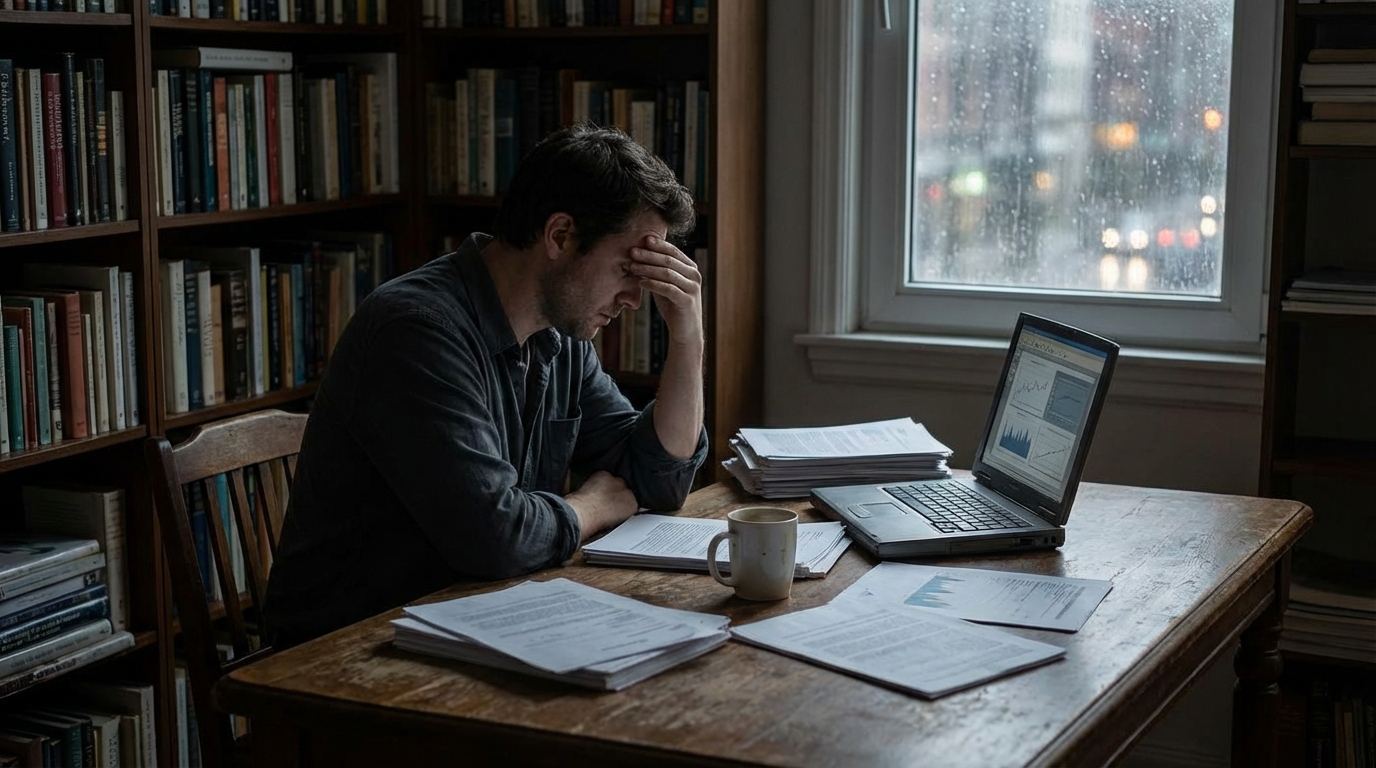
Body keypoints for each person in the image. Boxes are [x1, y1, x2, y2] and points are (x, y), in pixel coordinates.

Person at [263, 124, 708, 647]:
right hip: (350, 650)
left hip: (476, 622)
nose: (636, 298)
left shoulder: (559, 338)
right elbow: (497, 538)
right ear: (560, 236)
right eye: (628, 268)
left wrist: (688, 338)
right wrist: (593, 505)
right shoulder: (415, 330)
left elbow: (658, 481)